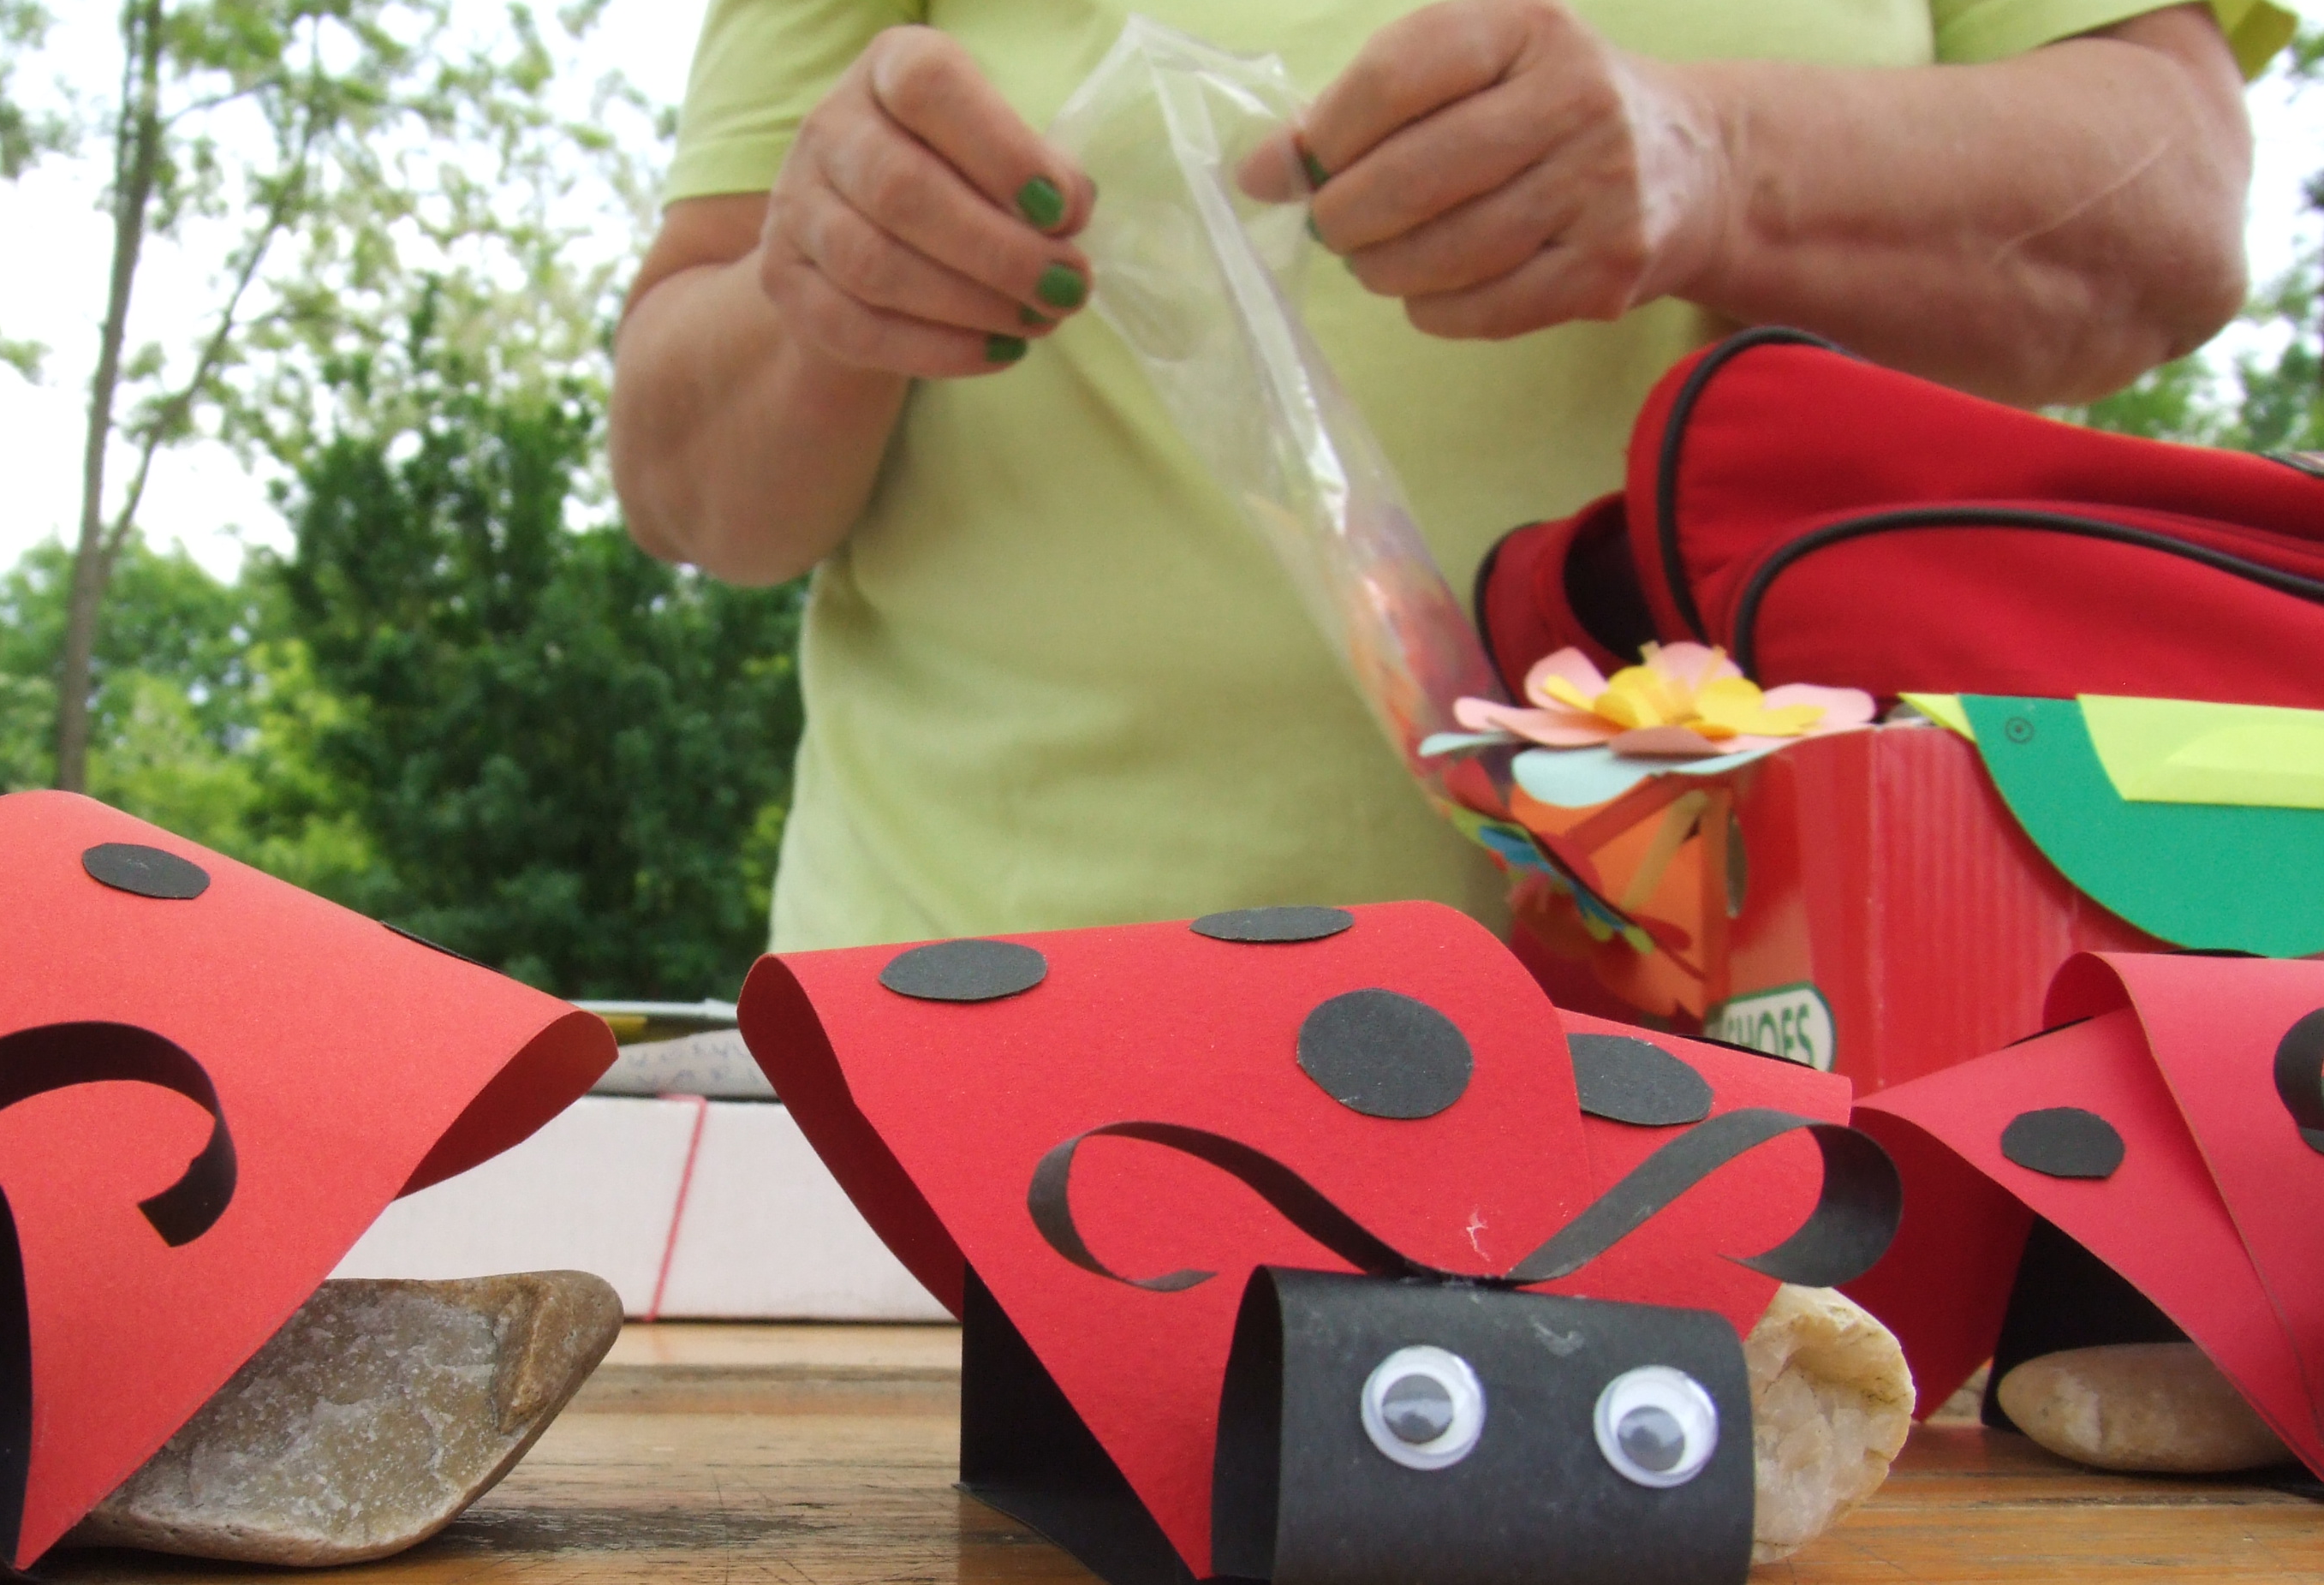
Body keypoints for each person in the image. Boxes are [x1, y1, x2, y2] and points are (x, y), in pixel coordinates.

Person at [608, 0, 2280, 950]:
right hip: (982, 1070)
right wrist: (821, 285)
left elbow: (2174, 209)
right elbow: (688, 488)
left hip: (1788, 1046)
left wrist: (1714, 160)